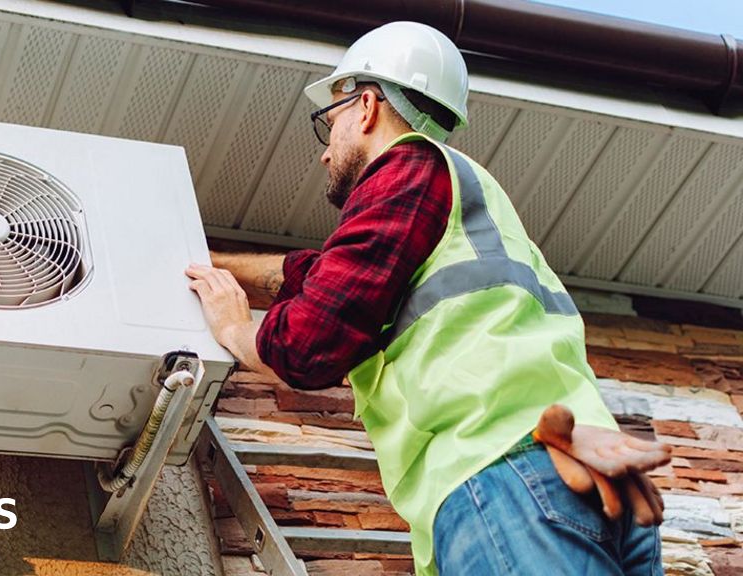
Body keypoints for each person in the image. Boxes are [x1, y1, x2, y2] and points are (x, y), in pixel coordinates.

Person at [186, 21, 671, 576]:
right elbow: (319, 275)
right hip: (587, 470)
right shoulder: (467, 206)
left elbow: (308, 342)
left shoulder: (406, 167)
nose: (325, 154)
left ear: (366, 107)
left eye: (330, 122)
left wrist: (232, 329)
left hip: (501, 471)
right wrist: (213, 265)